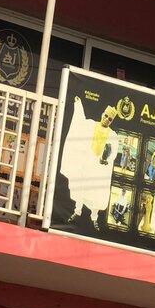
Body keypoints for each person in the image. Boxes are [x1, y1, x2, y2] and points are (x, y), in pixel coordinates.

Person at [60, 99, 118, 231]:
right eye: (106, 116)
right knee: (81, 186)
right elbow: (79, 123)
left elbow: (113, 152)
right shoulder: (91, 125)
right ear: (102, 114)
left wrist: (106, 159)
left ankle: (94, 218)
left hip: (99, 167)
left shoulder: (113, 135)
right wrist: (78, 105)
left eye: (110, 119)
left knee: (96, 192)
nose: (107, 119)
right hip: (87, 163)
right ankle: (78, 211)